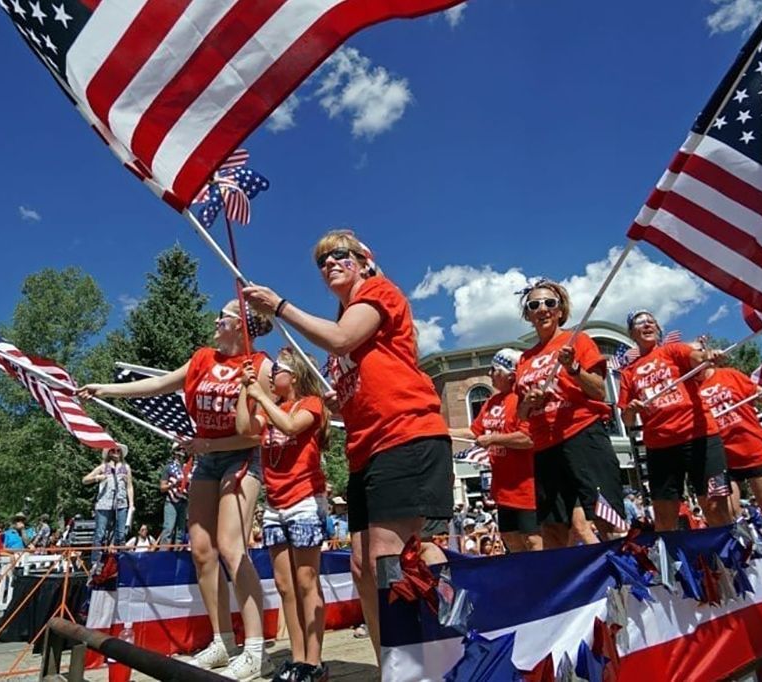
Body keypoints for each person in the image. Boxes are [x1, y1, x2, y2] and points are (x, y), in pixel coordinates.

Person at [243, 230, 453, 661]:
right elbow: (356, 369)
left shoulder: (379, 291)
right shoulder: (344, 317)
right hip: (365, 451)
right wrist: (343, 399)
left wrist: (279, 306)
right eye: (322, 261)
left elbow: (341, 338)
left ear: (363, 261)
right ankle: (392, 665)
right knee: (362, 567)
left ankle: (434, 657)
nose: (329, 264)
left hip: (405, 434)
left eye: (340, 255)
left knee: (389, 560)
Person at [79, 301, 273, 680]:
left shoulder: (260, 367)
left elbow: (254, 434)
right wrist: (106, 390)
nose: (216, 320)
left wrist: (209, 443)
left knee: (232, 548)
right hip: (207, 458)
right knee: (201, 550)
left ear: (241, 324)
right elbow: (158, 384)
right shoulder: (202, 358)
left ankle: (256, 649)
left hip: (240, 457)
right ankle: (222, 641)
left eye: (224, 316)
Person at [235, 347, 331, 682]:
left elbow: (290, 426)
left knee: (306, 580)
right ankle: (298, 657)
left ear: (295, 374)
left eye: (278, 368)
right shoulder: (269, 407)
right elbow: (245, 428)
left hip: (304, 500)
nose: (272, 373)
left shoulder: (311, 404)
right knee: (284, 584)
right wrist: (246, 391)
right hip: (275, 505)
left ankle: (314, 662)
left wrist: (261, 395)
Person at [511, 280, 625, 548]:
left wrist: (573, 368)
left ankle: (626, 571)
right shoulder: (525, 359)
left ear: (560, 310)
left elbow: (599, 391)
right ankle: (566, 575)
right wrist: (529, 402)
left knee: (606, 516)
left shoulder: (578, 341)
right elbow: (521, 415)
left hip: (582, 434)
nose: (542, 309)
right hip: (545, 446)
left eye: (549, 303)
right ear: (528, 315)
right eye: (534, 305)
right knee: (552, 528)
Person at [618, 311, 733, 531]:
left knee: (715, 506)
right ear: (632, 333)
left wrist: (708, 356)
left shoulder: (672, 350)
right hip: (660, 448)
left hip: (699, 437)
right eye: (640, 322)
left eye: (651, 321)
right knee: (664, 516)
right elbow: (627, 420)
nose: (647, 324)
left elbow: (697, 358)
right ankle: (671, 552)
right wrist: (631, 410)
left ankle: (730, 550)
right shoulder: (628, 373)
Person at [697, 365, 762, 550]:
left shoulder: (730, 374)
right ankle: (749, 555)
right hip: (721, 457)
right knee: (724, 511)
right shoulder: (685, 387)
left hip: (754, 450)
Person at [451, 348, 541, 553]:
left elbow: (528, 438)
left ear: (510, 374)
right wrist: (442, 431)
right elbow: (474, 432)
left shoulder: (523, 399)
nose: (490, 374)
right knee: (510, 538)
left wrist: (492, 439)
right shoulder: (492, 402)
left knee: (533, 540)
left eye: (494, 370)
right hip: (503, 489)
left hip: (526, 488)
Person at [81, 445, 135, 567]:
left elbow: (129, 486)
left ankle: (121, 562)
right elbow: (85, 480)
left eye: (118, 450)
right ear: (109, 453)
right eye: (113, 450)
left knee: (121, 534)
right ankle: (95, 562)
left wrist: (131, 503)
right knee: (100, 534)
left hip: (121, 503)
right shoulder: (103, 467)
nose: (116, 452)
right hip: (104, 504)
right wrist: (97, 478)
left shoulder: (126, 468)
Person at [159, 445, 191, 547]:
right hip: (171, 501)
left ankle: (178, 553)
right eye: (180, 450)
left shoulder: (188, 469)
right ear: (175, 453)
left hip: (184, 501)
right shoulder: (168, 468)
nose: (182, 453)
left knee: (180, 532)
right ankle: (163, 553)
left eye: (184, 450)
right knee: (168, 529)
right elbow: (162, 487)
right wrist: (173, 484)